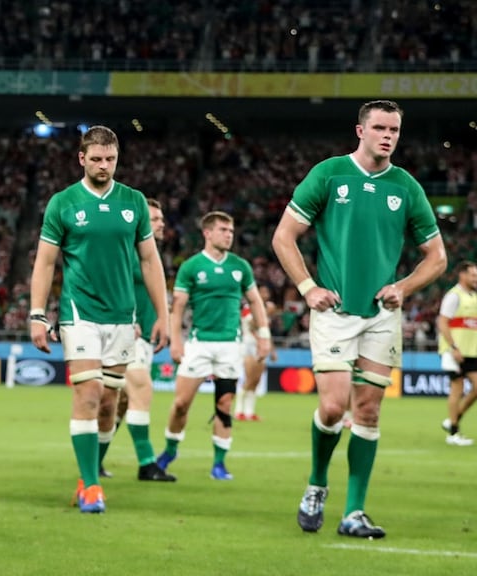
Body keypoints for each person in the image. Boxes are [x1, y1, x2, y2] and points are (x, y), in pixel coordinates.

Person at [272, 100, 445, 539]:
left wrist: (403, 287)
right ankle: (316, 483)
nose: (388, 136)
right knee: (332, 407)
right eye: (380, 128)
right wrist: (308, 287)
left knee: (367, 410)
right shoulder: (329, 174)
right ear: (360, 131)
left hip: (382, 316)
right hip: (334, 312)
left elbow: (438, 258)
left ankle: (354, 512)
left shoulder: (406, 187)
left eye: (395, 130)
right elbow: (284, 237)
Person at [29, 125, 170, 514]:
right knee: (87, 395)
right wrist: (38, 314)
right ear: (82, 159)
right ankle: (92, 486)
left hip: (123, 315)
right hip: (80, 313)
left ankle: (88, 471)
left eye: (109, 159)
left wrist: (164, 315)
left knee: (110, 404)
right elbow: (44, 262)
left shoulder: (135, 202)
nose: (103, 165)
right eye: (96, 159)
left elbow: (149, 261)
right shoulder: (63, 203)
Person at [156, 211, 270, 481]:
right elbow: (179, 307)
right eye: (223, 230)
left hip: (230, 346)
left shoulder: (240, 266)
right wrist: (176, 341)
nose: (229, 234)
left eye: (231, 230)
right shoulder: (192, 267)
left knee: (225, 404)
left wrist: (264, 335)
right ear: (207, 233)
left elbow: (255, 301)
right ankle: (171, 450)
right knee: (182, 403)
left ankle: (219, 463)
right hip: (199, 344)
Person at [118, 198, 175, 482]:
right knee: (142, 388)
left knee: (116, 404)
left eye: (161, 219)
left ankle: (96, 460)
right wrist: (128, 319)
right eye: (155, 219)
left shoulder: (150, 255)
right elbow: (111, 287)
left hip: (144, 339)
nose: (161, 223)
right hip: (124, 334)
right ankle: (146, 463)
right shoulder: (127, 252)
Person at [436, 261, 477, 446]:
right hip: (454, 351)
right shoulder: (454, 296)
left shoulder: (473, 296)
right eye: (473, 275)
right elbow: (442, 322)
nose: (475, 278)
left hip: (471, 352)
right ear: (462, 275)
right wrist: (453, 347)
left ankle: (453, 419)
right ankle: (453, 433)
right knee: (457, 388)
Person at [235, 285, 279, 421]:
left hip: (261, 346)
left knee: (256, 380)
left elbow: (265, 332)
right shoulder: (248, 308)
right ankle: (238, 410)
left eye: (267, 291)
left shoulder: (266, 309)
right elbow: (253, 325)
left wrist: (272, 349)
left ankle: (249, 412)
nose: (265, 294)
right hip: (249, 345)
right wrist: (266, 313)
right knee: (249, 378)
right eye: (263, 291)